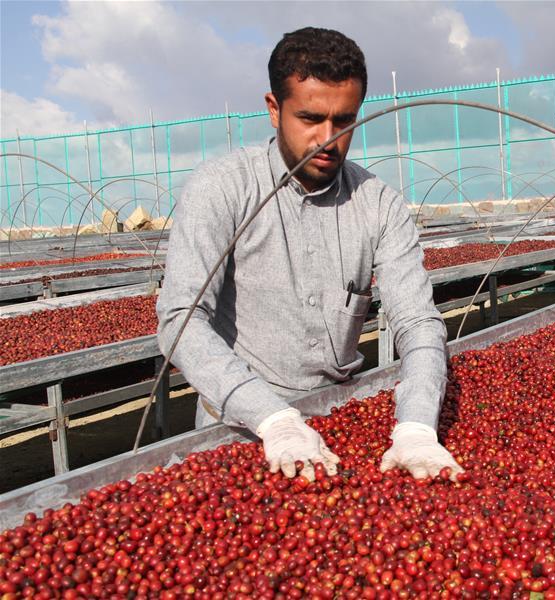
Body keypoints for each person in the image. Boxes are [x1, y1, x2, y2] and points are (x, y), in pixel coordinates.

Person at [156, 27, 462, 482]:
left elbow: (417, 322)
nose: (328, 139)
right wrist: (273, 419)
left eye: (344, 122)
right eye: (311, 118)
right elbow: (181, 319)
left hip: (342, 419)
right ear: (274, 109)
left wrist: (416, 425)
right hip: (243, 427)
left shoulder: (379, 203)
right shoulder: (222, 188)